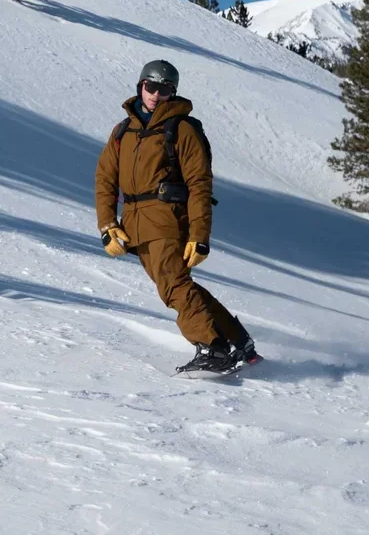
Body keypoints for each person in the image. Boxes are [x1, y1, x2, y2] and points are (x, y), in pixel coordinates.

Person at [94, 59, 258, 376]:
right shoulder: (123, 131)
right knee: (179, 286)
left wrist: (199, 235)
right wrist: (107, 225)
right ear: (140, 86)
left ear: (173, 92)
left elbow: (199, 184)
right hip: (135, 225)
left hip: (169, 219)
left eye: (165, 89)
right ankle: (238, 342)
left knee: (173, 288)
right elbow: (105, 180)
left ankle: (213, 348)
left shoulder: (181, 129)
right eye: (151, 86)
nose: (156, 94)